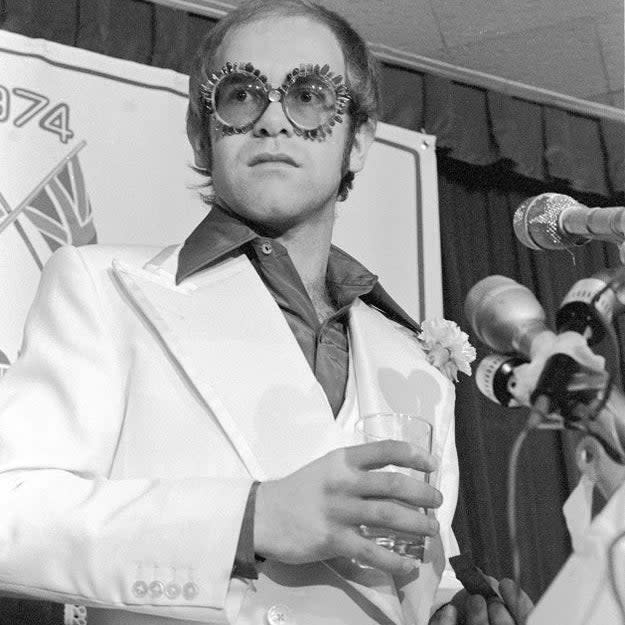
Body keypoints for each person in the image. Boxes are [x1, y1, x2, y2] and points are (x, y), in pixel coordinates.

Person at [0, 1, 527, 623]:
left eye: (308, 95)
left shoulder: (414, 355)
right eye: (242, 95)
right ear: (203, 135)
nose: (273, 121)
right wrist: (249, 520)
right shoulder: (101, 290)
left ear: (357, 141)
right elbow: (12, 516)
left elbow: (406, 572)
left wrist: (450, 608)